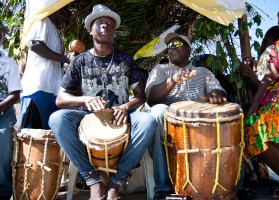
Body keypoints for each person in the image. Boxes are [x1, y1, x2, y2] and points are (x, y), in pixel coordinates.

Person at [48, 4, 156, 200]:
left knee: (148, 122)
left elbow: (141, 95)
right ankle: (93, 181)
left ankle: (117, 181)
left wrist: (125, 106)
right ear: (91, 30)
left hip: (122, 116)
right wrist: (85, 99)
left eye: (109, 24)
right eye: (100, 23)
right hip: (89, 118)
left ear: (114, 31)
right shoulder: (79, 61)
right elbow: (60, 99)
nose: (105, 26)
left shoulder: (125, 59)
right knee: (57, 119)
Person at [145, 33, 227, 200]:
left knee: (232, 111)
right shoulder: (160, 70)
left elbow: (218, 91)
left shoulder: (203, 72)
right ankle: (163, 188)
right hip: (170, 128)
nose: (172, 47)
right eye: (169, 45)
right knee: (157, 111)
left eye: (177, 43)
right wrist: (173, 79)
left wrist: (216, 94)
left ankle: (232, 185)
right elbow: (151, 98)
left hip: (200, 126)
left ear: (189, 49)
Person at [245, 0, 279, 198]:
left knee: (273, 119)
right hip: (278, 93)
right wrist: (254, 103)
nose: (277, 14)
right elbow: (269, 75)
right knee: (251, 126)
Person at [17, 5, 72, 130]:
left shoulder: (54, 29)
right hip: (38, 88)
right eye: (62, 10)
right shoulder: (43, 21)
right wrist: (65, 59)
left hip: (51, 90)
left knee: (45, 135)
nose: (65, 15)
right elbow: (34, 44)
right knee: (32, 135)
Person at [0, 26, 22, 200]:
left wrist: (0, 107)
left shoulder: (8, 63)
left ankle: (3, 189)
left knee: (3, 136)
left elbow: (15, 94)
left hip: (3, 109)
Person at [240, 26, 279, 95]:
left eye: (263, 41)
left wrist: (247, 73)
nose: (261, 45)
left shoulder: (269, 51)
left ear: (266, 40)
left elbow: (262, 90)